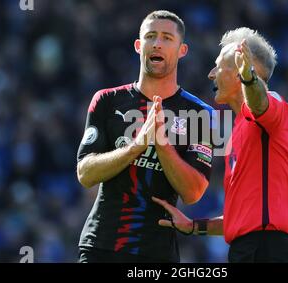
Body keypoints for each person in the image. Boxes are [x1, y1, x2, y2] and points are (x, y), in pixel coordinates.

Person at [153, 27, 288, 263]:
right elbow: (239, 220)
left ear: (242, 69)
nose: (211, 74)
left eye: (219, 65)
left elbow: (260, 102)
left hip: (268, 248)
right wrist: (193, 226)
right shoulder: (236, 131)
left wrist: (249, 78)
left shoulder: (273, 103)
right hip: (245, 249)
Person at [76, 10, 215, 263]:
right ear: (139, 46)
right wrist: (135, 147)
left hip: (157, 252)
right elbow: (85, 174)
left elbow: (194, 192)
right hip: (101, 246)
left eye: (166, 38)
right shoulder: (106, 100)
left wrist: (162, 145)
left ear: (182, 50)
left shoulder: (202, 114)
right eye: (150, 36)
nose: (157, 43)